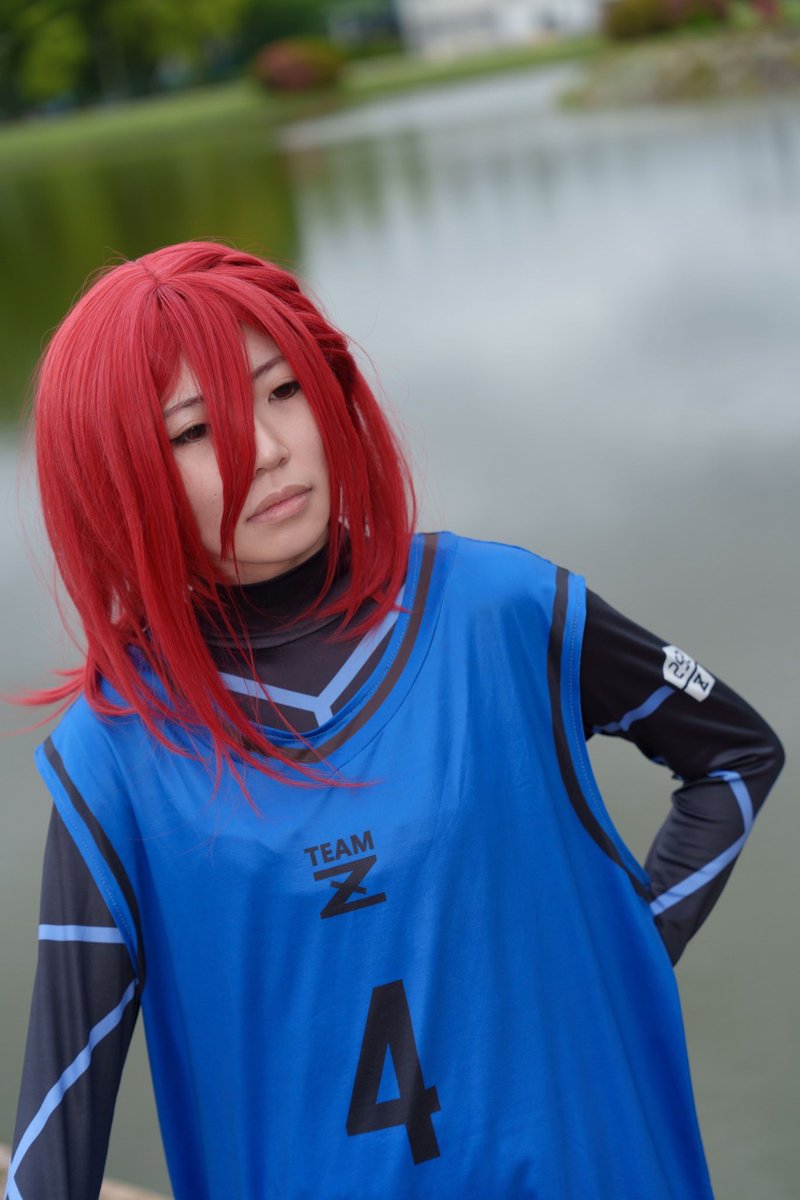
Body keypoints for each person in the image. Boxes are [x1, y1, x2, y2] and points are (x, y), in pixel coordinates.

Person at [6, 241, 783, 1200]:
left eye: (284, 389)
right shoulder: (117, 756)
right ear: (116, 476)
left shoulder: (501, 610)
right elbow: (59, 1124)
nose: (269, 448)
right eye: (197, 430)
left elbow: (736, 757)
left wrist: (615, 961)